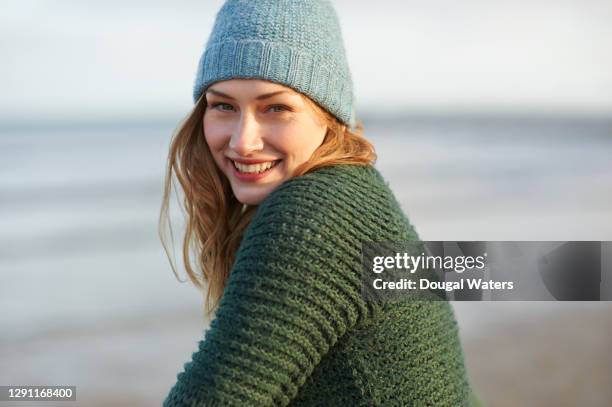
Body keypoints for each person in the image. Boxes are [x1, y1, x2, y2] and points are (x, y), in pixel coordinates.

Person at [160, 0, 480, 405]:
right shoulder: (352, 189)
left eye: (276, 107)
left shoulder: (315, 216)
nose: (242, 140)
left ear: (329, 117)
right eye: (223, 106)